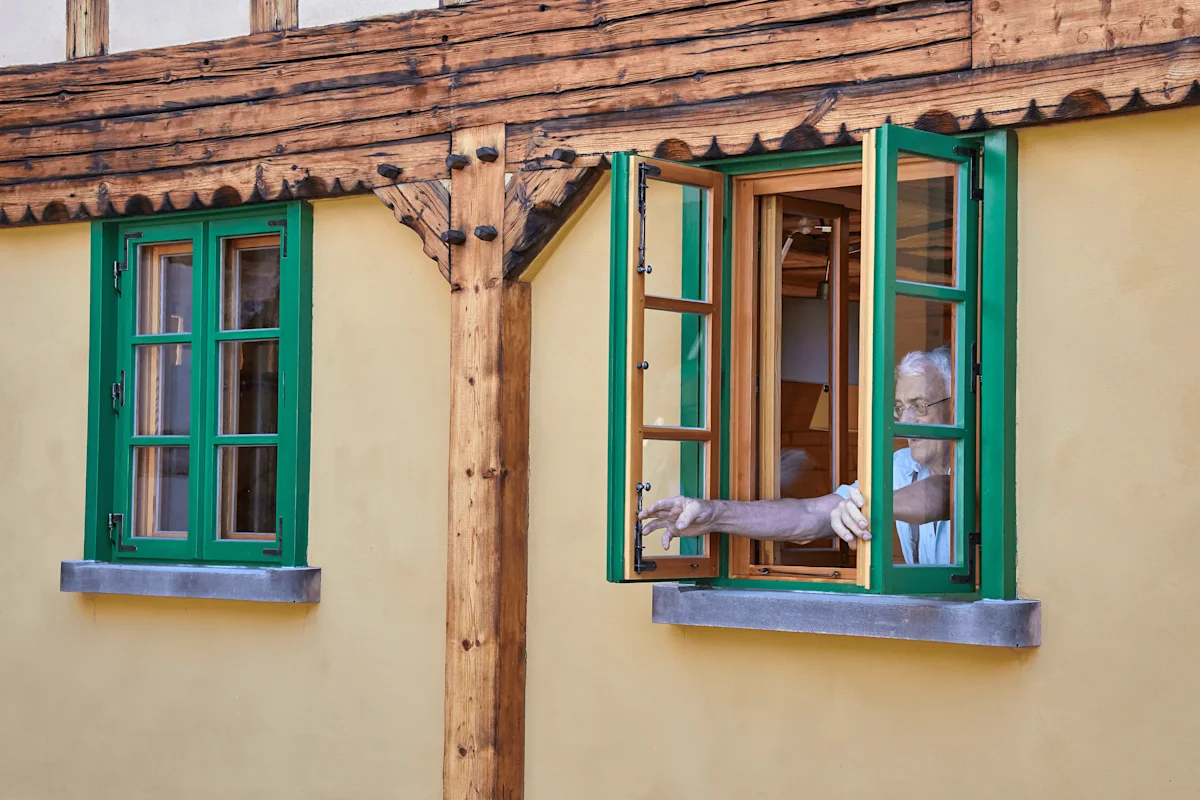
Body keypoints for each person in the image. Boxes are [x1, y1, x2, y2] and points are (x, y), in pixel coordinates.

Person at [639, 347, 954, 565]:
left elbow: (949, 493)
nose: (905, 421)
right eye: (900, 409)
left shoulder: (987, 464)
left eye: (920, 407)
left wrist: (875, 507)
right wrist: (712, 514)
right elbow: (809, 514)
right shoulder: (898, 466)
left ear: (954, 408)